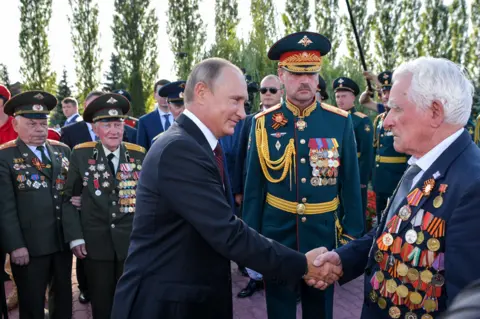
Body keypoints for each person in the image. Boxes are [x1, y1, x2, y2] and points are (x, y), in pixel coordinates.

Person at [111, 57, 336, 319]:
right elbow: (228, 233)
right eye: (235, 100)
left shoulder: (200, 145)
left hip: (188, 299)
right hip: (164, 305)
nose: (242, 113)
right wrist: (303, 265)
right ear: (202, 93)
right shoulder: (179, 149)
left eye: (244, 103)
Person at [312, 57, 480, 319]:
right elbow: (390, 232)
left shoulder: (473, 185)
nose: (387, 121)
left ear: (435, 112)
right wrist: (343, 259)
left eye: (396, 109)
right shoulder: (424, 163)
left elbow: (465, 307)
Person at [242, 31, 364, 319]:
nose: (306, 80)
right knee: (280, 310)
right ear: (281, 75)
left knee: (320, 311)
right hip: (277, 236)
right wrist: (251, 247)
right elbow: (254, 189)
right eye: (297, 73)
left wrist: (349, 241)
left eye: (312, 73)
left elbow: (350, 187)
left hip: (323, 235)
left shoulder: (338, 121)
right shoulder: (263, 124)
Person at [62, 93, 145, 319]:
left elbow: (146, 199)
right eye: (107, 125)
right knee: (102, 302)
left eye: (118, 124)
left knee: (131, 300)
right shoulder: (81, 153)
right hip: (95, 243)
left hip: (129, 243)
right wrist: (76, 237)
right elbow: (68, 199)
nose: (114, 131)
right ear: (95, 128)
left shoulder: (138, 154)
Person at [0, 91, 73, 319]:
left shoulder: (62, 150)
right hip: (29, 248)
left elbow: (68, 191)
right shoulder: (5, 156)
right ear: (15, 124)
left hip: (61, 241)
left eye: (43, 123)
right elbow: (4, 207)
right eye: (32, 124)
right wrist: (15, 246)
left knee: (62, 301)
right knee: (31, 305)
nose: (40, 129)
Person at [233, 74, 284, 298]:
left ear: (281, 91)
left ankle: (283, 277)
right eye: (264, 90)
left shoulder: (290, 120)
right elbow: (240, 155)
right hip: (253, 190)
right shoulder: (250, 120)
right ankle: (255, 278)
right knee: (252, 232)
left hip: (279, 191)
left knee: (278, 235)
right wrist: (238, 188)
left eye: (273, 90)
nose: (268, 94)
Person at [60, 90, 104, 305]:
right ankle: (85, 288)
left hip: (112, 206)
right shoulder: (70, 132)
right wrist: (78, 198)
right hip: (81, 203)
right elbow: (69, 171)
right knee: (84, 253)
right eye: (91, 105)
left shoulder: (121, 131)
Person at [333, 76, 374, 228]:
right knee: (337, 212)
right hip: (335, 174)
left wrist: (363, 180)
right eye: (337, 96)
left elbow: (367, 153)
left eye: (344, 96)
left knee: (355, 214)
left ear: (353, 98)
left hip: (355, 175)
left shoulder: (361, 121)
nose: (340, 100)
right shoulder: (334, 118)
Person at [369, 71, 408, 219]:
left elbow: (409, 153)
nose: (385, 96)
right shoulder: (379, 119)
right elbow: (375, 150)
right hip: (380, 179)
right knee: (380, 218)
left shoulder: (402, 118)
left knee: (396, 218)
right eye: (382, 92)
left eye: (388, 92)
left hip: (396, 178)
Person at [136, 79, 171, 150]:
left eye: (166, 93)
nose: (164, 96)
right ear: (154, 95)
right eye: (161, 93)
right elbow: (141, 151)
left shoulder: (181, 118)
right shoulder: (145, 121)